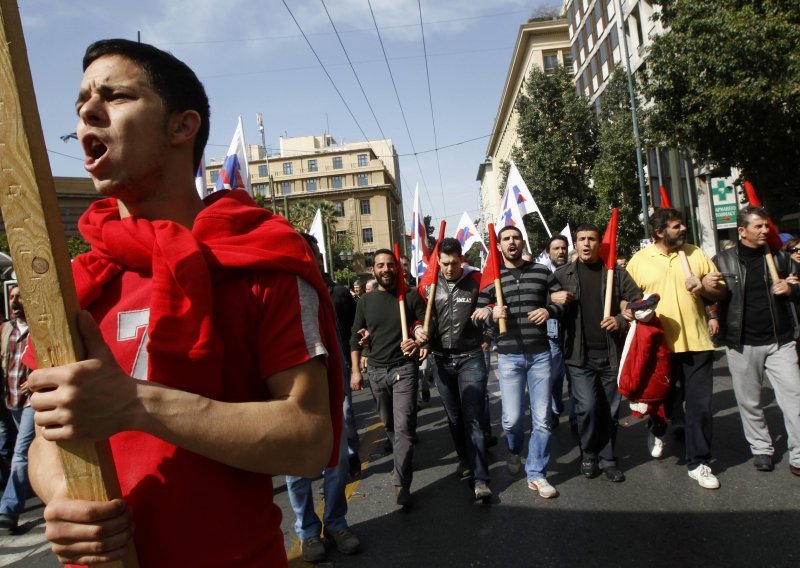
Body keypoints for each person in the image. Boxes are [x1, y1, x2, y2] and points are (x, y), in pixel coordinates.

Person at [26, 39, 342, 567]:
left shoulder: (262, 260)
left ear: (182, 126)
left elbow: (308, 441)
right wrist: (62, 496)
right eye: (81, 101)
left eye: (116, 95)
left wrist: (135, 404)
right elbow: (45, 437)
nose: (87, 109)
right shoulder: (71, 285)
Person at [627, 208, 726, 489]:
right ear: (659, 232)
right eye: (676, 226)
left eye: (682, 225)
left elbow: (720, 292)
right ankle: (658, 428)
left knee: (700, 407)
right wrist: (634, 311)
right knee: (664, 401)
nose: (683, 229)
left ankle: (699, 462)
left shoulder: (696, 254)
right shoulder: (640, 260)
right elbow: (627, 302)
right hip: (659, 347)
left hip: (697, 344)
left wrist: (706, 288)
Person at [286, 235, 361, 563]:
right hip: (288, 389)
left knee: (338, 459)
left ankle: (335, 522)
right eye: (306, 253)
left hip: (331, 379)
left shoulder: (332, 292)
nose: (313, 259)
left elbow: (346, 330)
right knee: (295, 466)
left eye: (316, 254)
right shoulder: (278, 288)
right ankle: (306, 531)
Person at [713, 206, 800, 476]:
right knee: (750, 401)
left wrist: (792, 287)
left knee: (794, 397)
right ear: (742, 231)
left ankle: (798, 455)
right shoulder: (722, 261)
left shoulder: (780, 258)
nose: (766, 230)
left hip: (780, 340)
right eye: (759, 226)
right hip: (741, 343)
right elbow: (711, 295)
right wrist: (710, 311)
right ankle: (761, 448)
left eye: (766, 226)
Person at [552, 225, 641, 482]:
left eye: (591, 239)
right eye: (581, 240)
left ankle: (608, 458)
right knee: (588, 408)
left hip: (611, 355)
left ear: (599, 243)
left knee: (610, 412)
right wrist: (552, 300)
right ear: (575, 244)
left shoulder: (617, 273)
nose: (586, 244)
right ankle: (589, 452)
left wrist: (620, 320)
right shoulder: (561, 274)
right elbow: (547, 303)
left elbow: (637, 302)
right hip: (578, 356)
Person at [477, 226, 561, 499]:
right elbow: (477, 313)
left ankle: (536, 473)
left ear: (522, 242)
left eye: (515, 238)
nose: (511, 242)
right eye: (505, 239)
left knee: (543, 419)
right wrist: (491, 311)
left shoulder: (541, 271)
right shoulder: (492, 277)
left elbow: (561, 301)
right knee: (512, 421)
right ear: (499, 246)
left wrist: (548, 309)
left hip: (540, 354)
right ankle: (514, 450)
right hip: (509, 356)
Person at [417, 238, 492, 501]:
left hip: (470, 357)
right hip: (440, 359)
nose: (449, 268)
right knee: (454, 418)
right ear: (438, 262)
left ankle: (481, 478)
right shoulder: (428, 285)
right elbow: (419, 316)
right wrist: (420, 330)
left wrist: (489, 315)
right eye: (444, 263)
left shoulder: (477, 280)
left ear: (461, 259)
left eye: (454, 262)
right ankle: (465, 459)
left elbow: (492, 303)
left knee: (473, 417)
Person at [350, 250, 426, 507]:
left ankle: (401, 481)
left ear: (398, 269)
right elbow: (355, 337)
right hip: (376, 371)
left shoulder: (411, 296)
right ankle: (401, 457)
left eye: (390, 265)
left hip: (404, 369)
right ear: (373, 270)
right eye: (380, 265)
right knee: (390, 424)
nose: (386, 269)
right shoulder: (365, 301)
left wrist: (418, 340)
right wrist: (356, 370)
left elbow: (427, 326)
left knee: (404, 425)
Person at [0, 285, 33, 532]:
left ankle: (8, 510)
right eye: (12, 297)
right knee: (29, 451)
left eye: (19, 296)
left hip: (34, 400)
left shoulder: (39, 328)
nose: (15, 301)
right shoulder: (5, 329)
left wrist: (37, 378)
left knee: (20, 453)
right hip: (11, 401)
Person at [543, 235, 575, 432]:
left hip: (573, 333)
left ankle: (575, 418)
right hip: (551, 334)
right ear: (549, 252)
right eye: (556, 248)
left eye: (563, 248)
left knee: (574, 377)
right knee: (554, 377)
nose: (560, 252)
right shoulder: (543, 273)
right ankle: (555, 408)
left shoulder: (575, 272)